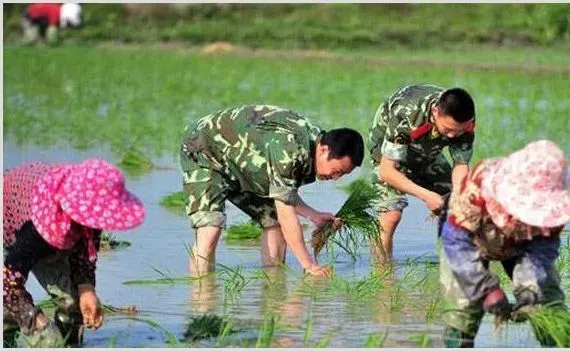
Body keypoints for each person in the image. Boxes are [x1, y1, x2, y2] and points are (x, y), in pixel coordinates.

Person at [180, 104, 364, 277]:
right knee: (210, 228)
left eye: (342, 175)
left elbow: (285, 192)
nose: (336, 178)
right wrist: (309, 265)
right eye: (337, 171)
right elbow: (286, 212)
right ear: (324, 150)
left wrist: (313, 215)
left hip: (242, 165)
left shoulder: (313, 143)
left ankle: (273, 290)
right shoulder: (290, 151)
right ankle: (202, 299)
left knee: (274, 223)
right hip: (205, 151)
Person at [439, 140, 570, 347]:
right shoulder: (478, 186)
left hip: (523, 245)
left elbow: (541, 251)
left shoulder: (559, 202)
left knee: (547, 303)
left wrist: (529, 288)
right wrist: (487, 290)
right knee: (462, 310)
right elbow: (456, 242)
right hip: (471, 243)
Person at [3, 159, 145, 347]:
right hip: (11, 219)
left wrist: (87, 290)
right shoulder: (35, 232)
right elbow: (7, 284)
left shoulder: (92, 208)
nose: (97, 227)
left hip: (49, 225)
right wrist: (38, 325)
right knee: (23, 321)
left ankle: (70, 343)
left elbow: (86, 250)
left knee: (73, 304)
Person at [367, 84, 476, 263]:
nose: (452, 136)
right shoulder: (407, 112)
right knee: (391, 215)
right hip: (388, 154)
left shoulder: (466, 121)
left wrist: (457, 196)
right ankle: (383, 273)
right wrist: (426, 196)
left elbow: (461, 164)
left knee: (463, 204)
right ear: (435, 112)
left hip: (427, 150)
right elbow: (387, 171)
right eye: (448, 129)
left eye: (459, 131)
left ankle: (458, 261)